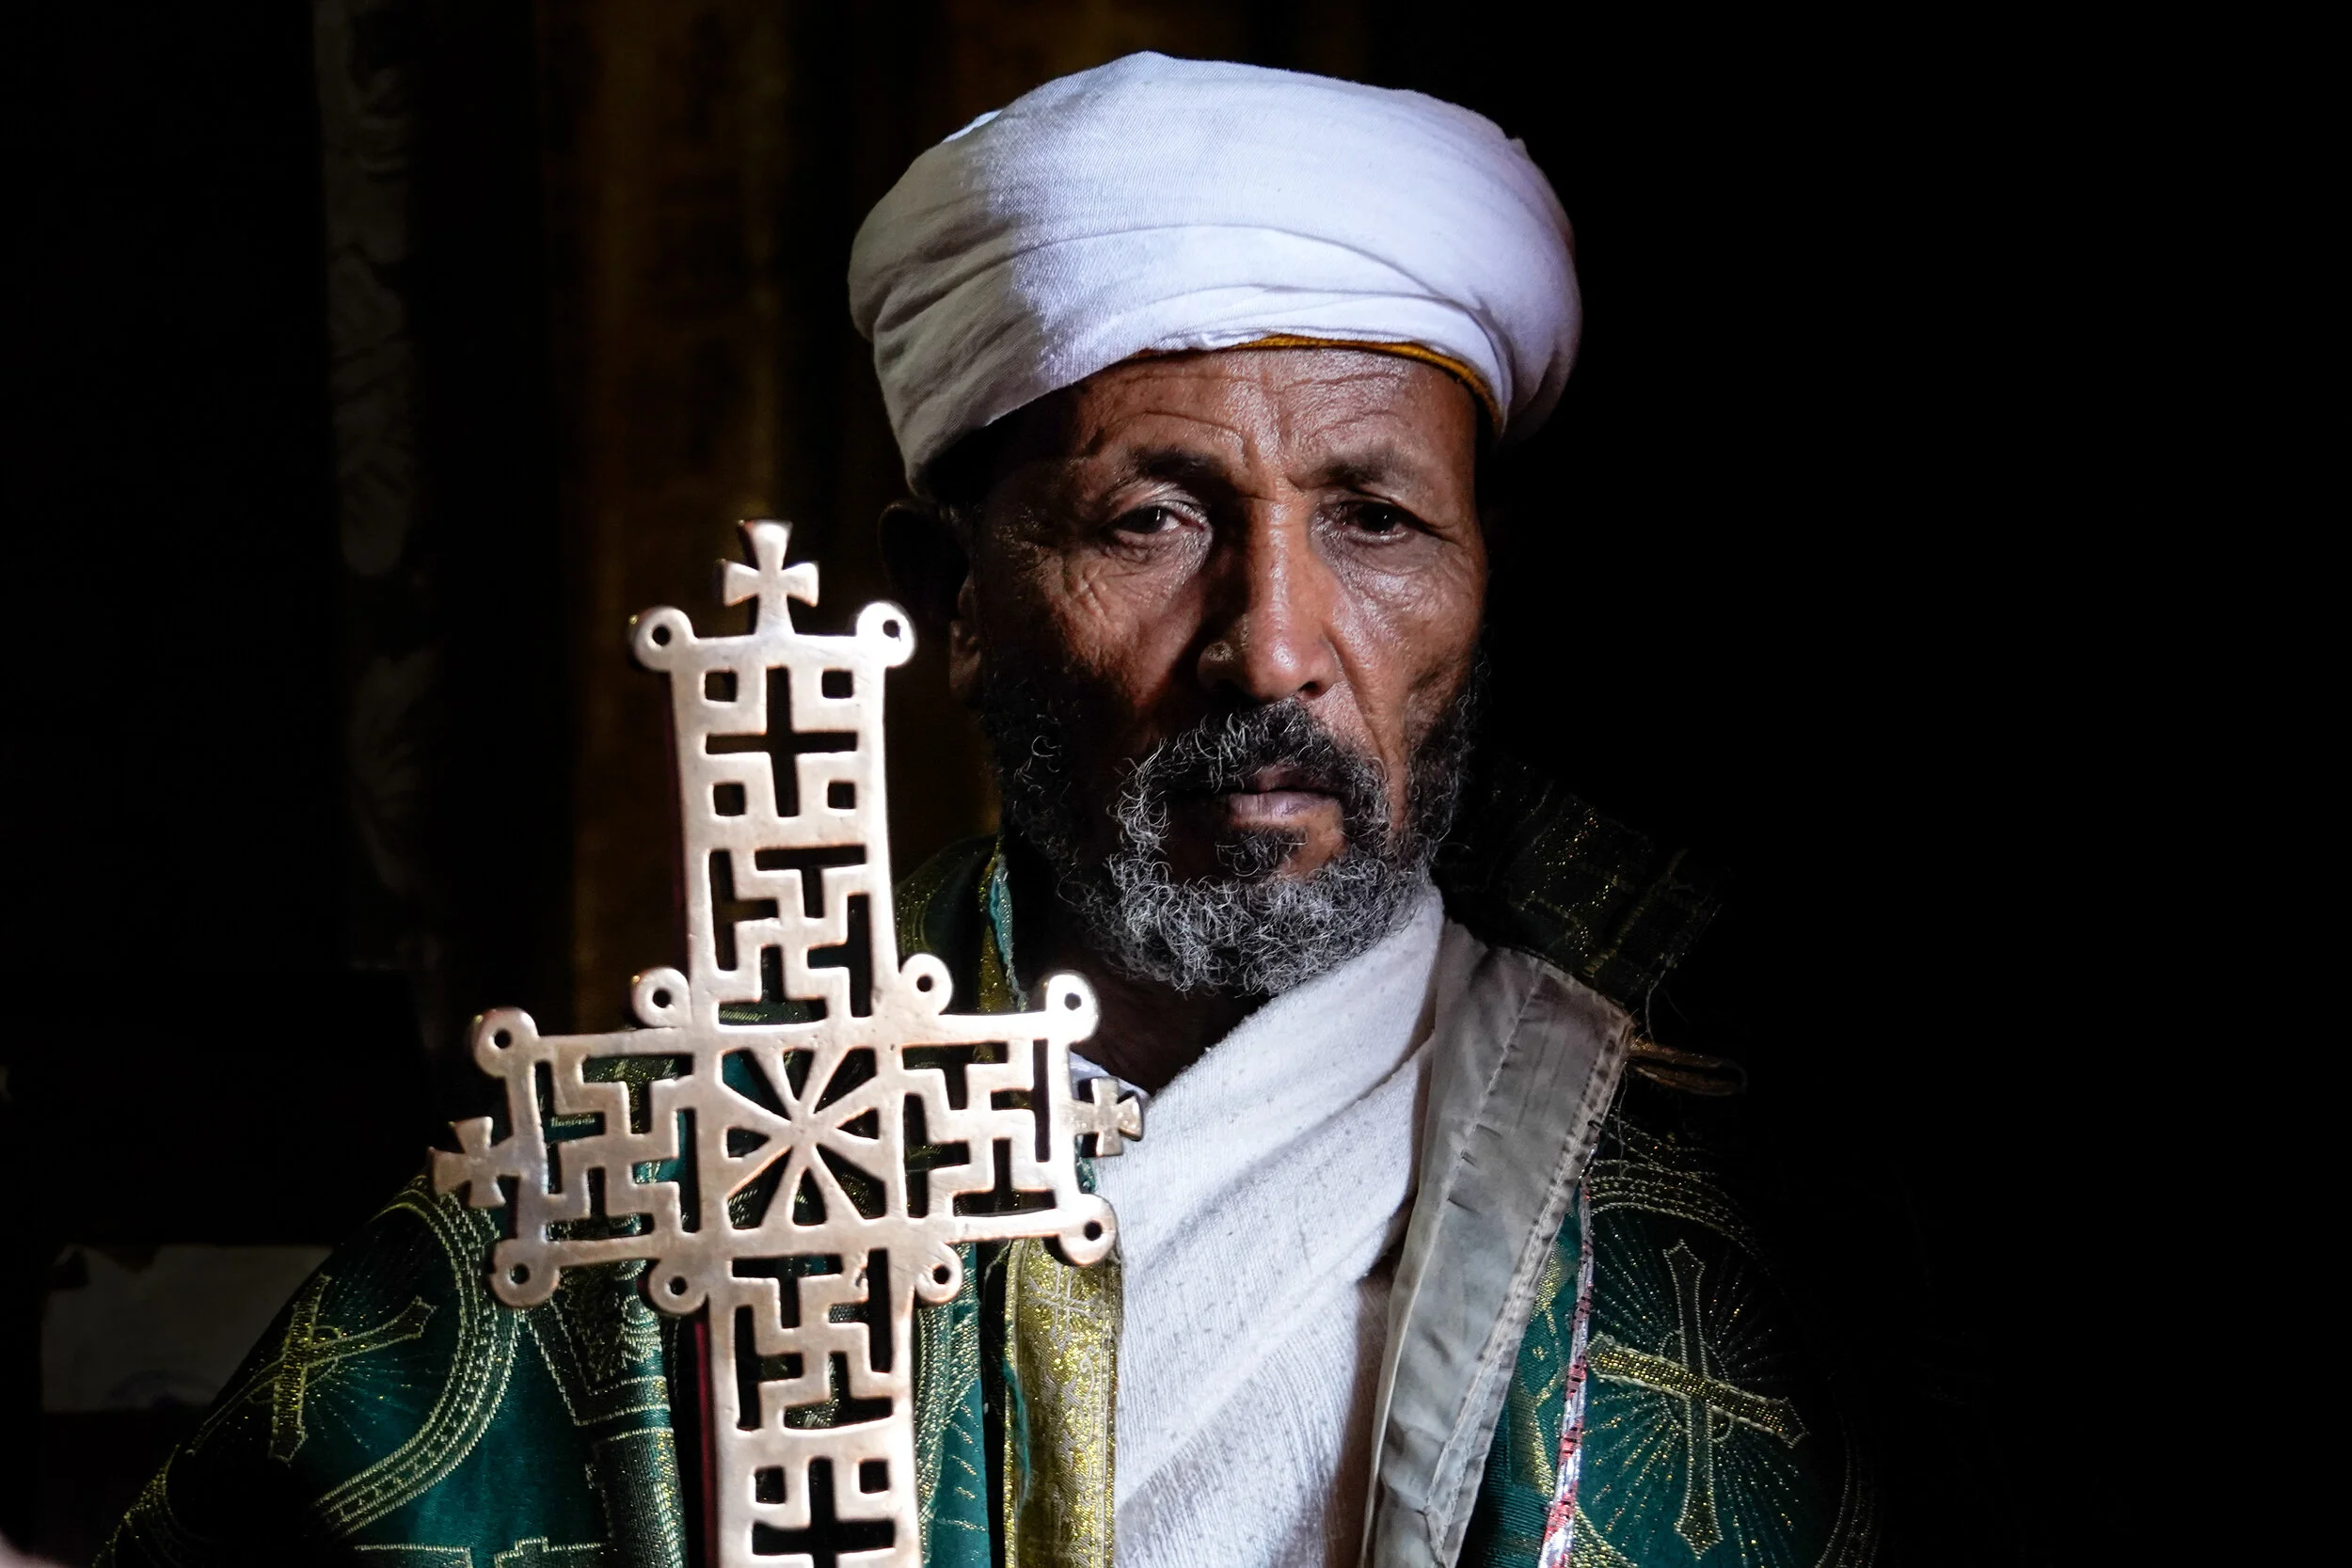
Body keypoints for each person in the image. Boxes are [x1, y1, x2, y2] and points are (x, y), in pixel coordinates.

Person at [103, 54, 1882, 1568]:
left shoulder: (1691, 1229)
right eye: (1150, 519)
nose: (1273, 644)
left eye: (1377, 524)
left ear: (1486, 585)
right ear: (947, 596)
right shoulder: (690, 1166)